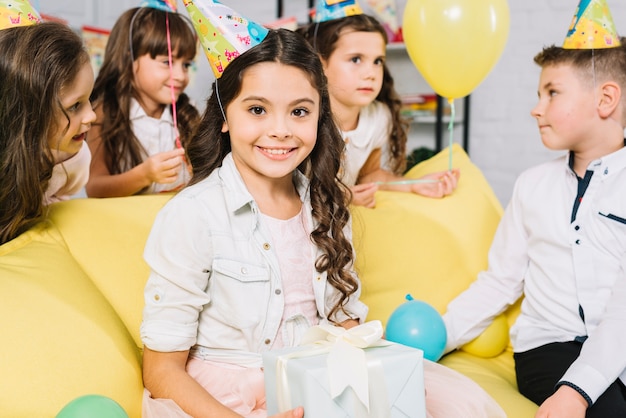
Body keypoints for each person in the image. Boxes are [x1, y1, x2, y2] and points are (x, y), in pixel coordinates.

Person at [140, 24, 505, 418]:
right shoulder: (193, 215)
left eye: (299, 111)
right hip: (230, 399)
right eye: (257, 109)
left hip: (322, 378)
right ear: (225, 116)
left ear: (319, 115)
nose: (280, 131)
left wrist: (381, 380)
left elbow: (341, 322)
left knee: (454, 406)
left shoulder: (325, 204)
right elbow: (161, 370)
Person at [442, 38, 626, 417]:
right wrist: (438, 334)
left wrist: (581, 387)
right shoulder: (531, 184)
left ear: (606, 99)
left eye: (552, 93)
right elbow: (501, 281)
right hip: (549, 348)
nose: (536, 109)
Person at [298, 14, 459, 208]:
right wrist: (339, 198)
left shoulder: (378, 117)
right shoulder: (301, 116)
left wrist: (413, 185)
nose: (371, 73)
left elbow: (369, 175)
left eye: (378, 61)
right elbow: (288, 186)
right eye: (356, 59)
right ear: (321, 63)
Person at [86, 6, 200, 197]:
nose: (181, 75)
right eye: (167, 62)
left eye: (186, 64)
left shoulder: (189, 115)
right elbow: (95, 188)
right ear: (129, 59)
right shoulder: (104, 114)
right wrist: (144, 175)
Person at [0, 21, 96, 245]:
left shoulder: (76, 158)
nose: (92, 116)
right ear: (29, 112)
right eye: (75, 106)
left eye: (88, 99)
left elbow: (57, 209)